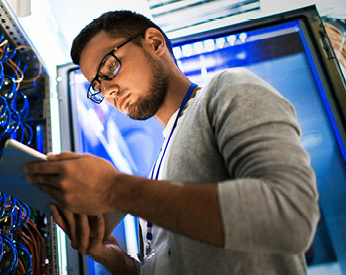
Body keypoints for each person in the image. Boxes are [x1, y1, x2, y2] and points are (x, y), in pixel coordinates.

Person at [24, 10, 319, 275]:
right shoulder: (160, 163)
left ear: (154, 43)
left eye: (110, 68)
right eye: (98, 87)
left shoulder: (229, 89)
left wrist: (114, 189)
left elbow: (290, 214)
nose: (110, 91)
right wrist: (109, 255)